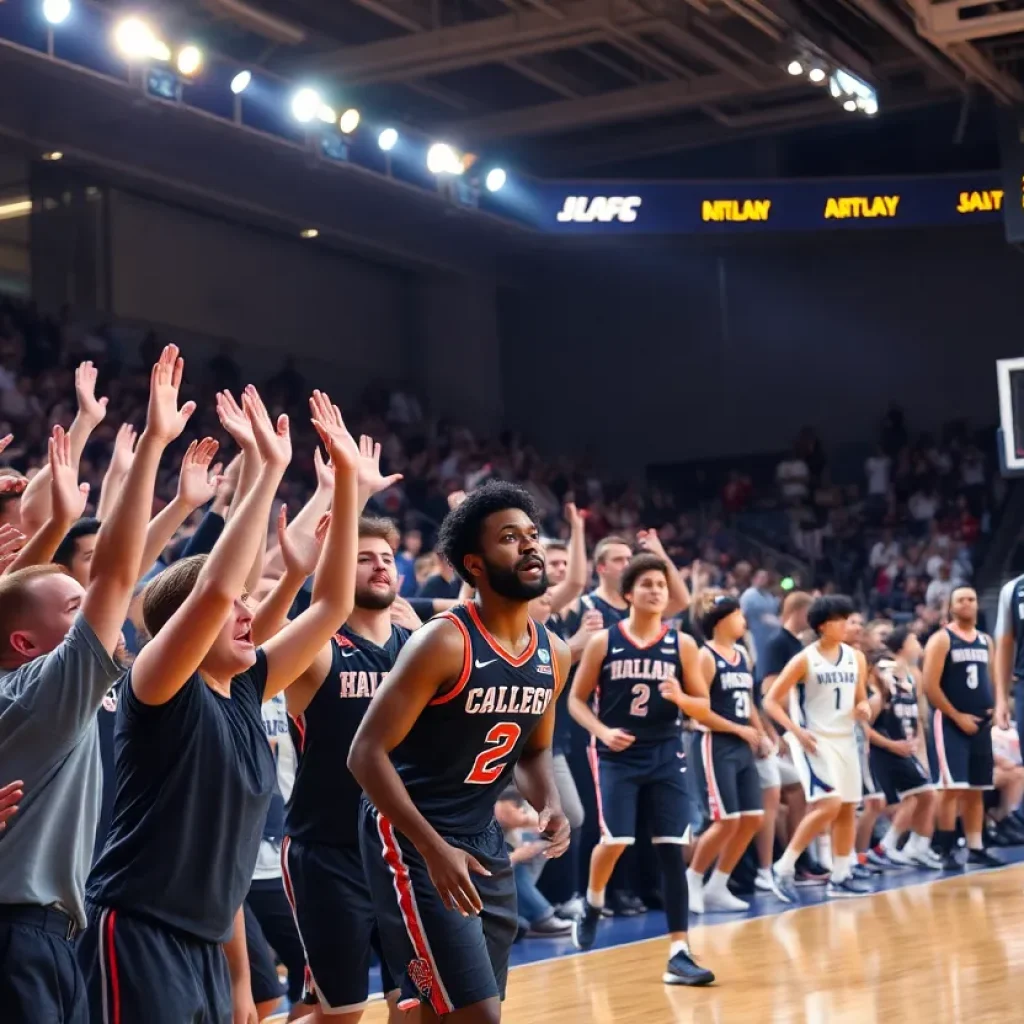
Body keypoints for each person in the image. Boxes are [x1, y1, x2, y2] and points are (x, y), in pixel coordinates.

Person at [78, 387, 360, 1023]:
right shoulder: (159, 684)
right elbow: (212, 591)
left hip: (207, 941)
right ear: (187, 625)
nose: (248, 616)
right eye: (237, 607)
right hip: (138, 931)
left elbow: (333, 606)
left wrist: (347, 485)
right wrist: (267, 472)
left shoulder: (248, 689)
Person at [0, 348, 191, 1024]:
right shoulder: (42, 694)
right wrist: (151, 448)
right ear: (27, 644)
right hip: (24, 933)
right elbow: (115, 575)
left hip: (41, 928)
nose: (95, 610)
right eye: (73, 608)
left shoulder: (24, 678)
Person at [348, 481, 571, 1024]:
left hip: (482, 837)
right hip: (411, 834)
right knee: (476, 1012)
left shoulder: (554, 653)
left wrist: (551, 804)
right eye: (510, 539)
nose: (530, 548)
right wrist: (430, 849)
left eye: (533, 536)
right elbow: (365, 754)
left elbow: (533, 752)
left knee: (430, 1003)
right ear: (473, 564)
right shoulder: (442, 641)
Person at [281, 516, 410, 1024]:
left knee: (419, 1000)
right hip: (328, 854)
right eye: (363, 557)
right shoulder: (315, 648)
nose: (380, 566)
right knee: (341, 1013)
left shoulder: (418, 648)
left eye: (386, 558)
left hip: (400, 853)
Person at [567, 553, 714, 985]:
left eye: (662, 585)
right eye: (647, 584)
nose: (656, 591)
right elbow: (576, 700)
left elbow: (703, 705)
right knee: (617, 840)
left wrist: (682, 699)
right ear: (628, 593)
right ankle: (593, 902)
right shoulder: (604, 642)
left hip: (667, 752)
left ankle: (680, 952)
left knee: (672, 848)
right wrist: (602, 731)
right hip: (617, 755)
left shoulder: (682, 644)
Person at [763, 595, 873, 902]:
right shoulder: (804, 658)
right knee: (829, 804)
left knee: (848, 807)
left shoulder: (857, 658)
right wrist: (796, 731)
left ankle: (840, 876)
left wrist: (864, 707)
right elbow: (770, 700)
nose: (849, 624)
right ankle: (783, 867)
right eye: (842, 619)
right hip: (815, 740)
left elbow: (860, 697)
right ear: (824, 625)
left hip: (845, 738)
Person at [686, 592, 766, 914]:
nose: (744, 621)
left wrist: (760, 733)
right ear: (722, 620)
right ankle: (692, 878)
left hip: (742, 743)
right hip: (713, 743)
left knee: (752, 818)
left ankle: (718, 885)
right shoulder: (705, 657)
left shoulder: (742, 655)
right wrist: (738, 729)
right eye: (738, 615)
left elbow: (747, 700)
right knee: (725, 821)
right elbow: (697, 713)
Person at [921, 585, 1000, 870]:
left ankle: (976, 846)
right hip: (950, 722)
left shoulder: (985, 641)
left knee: (976, 788)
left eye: (972, 599)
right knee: (951, 788)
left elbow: (990, 678)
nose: (968, 603)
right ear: (951, 607)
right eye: (961, 600)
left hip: (981, 722)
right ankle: (945, 846)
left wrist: (995, 705)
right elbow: (929, 686)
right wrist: (957, 716)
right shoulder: (942, 640)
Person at [753, 591, 825, 891]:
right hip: (785, 733)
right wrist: (779, 731)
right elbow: (768, 690)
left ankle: (802, 857)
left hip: (797, 730)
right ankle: (796, 859)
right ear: (798, 611)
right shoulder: (777, 643)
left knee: (807, 795)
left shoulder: (796, 644)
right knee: (802, 794)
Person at [245, 689, 306, 1021]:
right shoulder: (213, 684)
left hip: (280, 859)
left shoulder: (295, 686)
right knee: (262, 993)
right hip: (229, 866)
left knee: (315, 971)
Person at [866, 631, 941, 869]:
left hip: (904, 746)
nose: (919, 644)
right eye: (914, 640)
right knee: (910, 798)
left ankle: (914, 847)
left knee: (926, 794)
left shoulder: (911, 676)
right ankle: (886, 848)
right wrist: (890, 744)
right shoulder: (883, 685)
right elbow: (863, 726)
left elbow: (914, 715)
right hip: (886, 748)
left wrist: (917, 743)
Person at [739, 569, 779, 664]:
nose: (763, 580)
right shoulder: (748, 595)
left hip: (769, 637)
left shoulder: (769, 596)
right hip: (754, 636)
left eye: (765, 578)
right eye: (760, 577)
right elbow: (742, 615)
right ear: (754, 579)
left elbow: (774, 615)